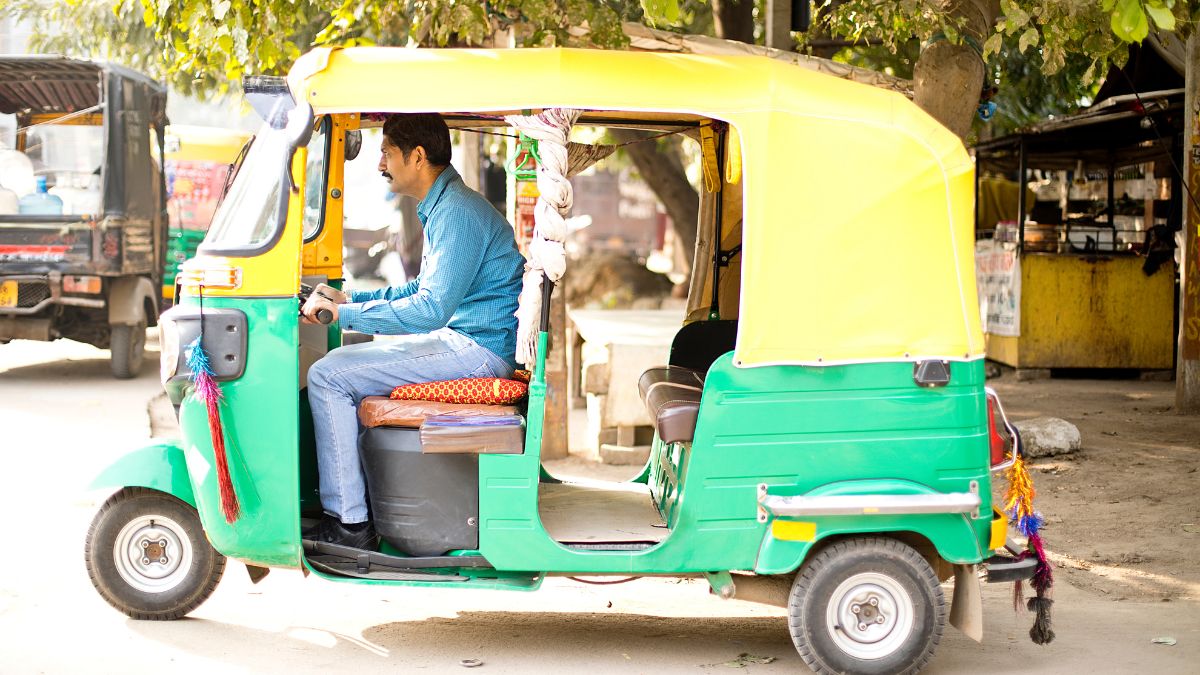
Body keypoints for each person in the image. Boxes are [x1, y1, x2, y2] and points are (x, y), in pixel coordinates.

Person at [301, 113, 525, 548]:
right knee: (339, 368)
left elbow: (429, 309)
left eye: (386, 152)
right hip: (469, 341)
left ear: (417, 156)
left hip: (476, 351)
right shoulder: (446, 206)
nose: (380, 163)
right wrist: (352, 302)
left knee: (327, 375)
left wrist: (340, 318)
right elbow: (422, 289)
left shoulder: (457, 212)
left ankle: (349, 524)